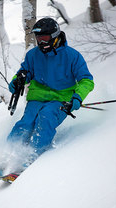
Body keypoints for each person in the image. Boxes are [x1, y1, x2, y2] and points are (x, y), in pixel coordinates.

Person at [6, 17, 94, 173]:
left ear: (54, 36)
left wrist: (77, 97)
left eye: (44, 38)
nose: (41, 42)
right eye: (38, 38)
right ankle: (7, 155)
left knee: (45, 118)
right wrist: (17, 81)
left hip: (61, 99)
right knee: (26, 123)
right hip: (37, 97)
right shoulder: (33, 55)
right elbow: (25, 72)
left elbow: (86, 80)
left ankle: (31, 155)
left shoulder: (72, 56)